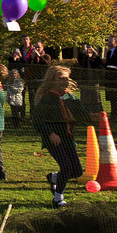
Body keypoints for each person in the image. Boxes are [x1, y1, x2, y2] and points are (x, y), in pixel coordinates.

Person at [32, 66, 93, 208]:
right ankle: (58, 198)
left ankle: (53, 177)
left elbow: (82, 114)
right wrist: (50, 133)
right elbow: (37, 119)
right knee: (66, 166)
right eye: (61, 78)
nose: (64, 81)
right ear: (52, 80)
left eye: (66, 78)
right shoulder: (47, 99)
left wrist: (94, 116)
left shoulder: (70, 97)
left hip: (68, 138)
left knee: (77, 171)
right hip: (54, 139)